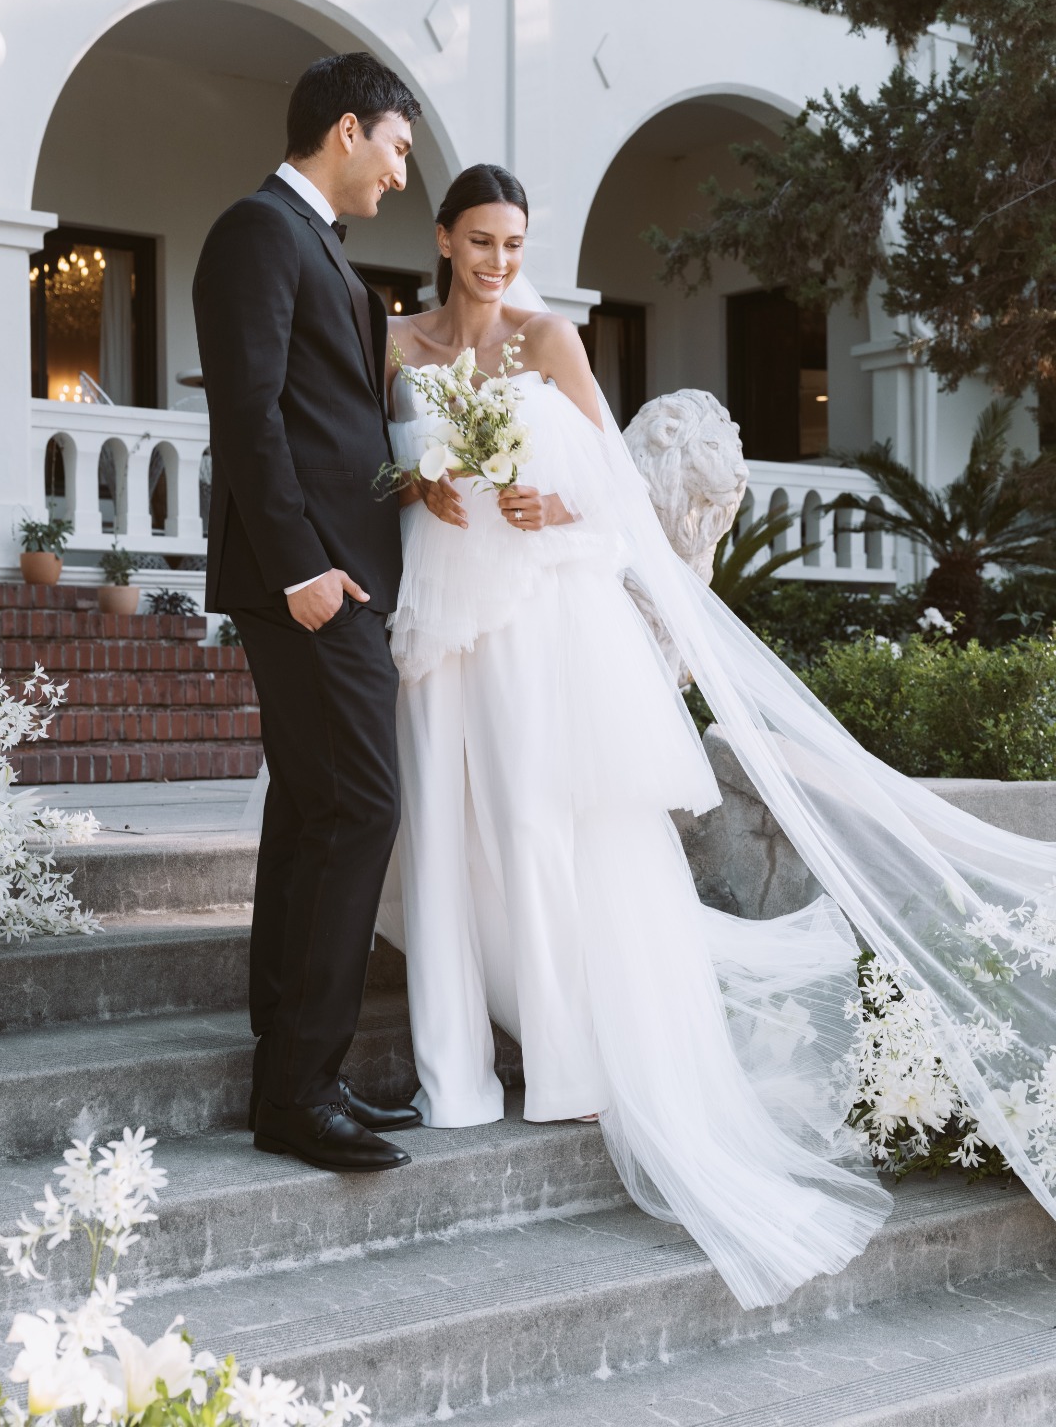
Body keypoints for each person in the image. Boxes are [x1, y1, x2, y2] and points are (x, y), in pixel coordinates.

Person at [377, 162, 1056, 1310]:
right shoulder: (396, 344)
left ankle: (562, 1063)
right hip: (441, 624)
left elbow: (614, 496)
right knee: (442, 832)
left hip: (534, 616)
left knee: (539, 827)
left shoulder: (549, 339)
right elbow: (375, 463)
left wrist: (557, 505)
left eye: (512, 241)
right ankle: (451, 1076)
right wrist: (414, 485)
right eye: (479, 240)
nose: (497, 259)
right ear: (442, 239)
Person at [192, 52, 424, 1174]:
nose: (401, 171)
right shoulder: (257, 232)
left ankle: (288, 1057)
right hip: (310, 584)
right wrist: (302, 568)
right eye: (396, 147)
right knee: (364, 807)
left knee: (313, 806)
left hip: (340, 573)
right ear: (346, 129)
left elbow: (331, 420)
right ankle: (300, 1086)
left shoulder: (318, 244)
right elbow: (246, 415)